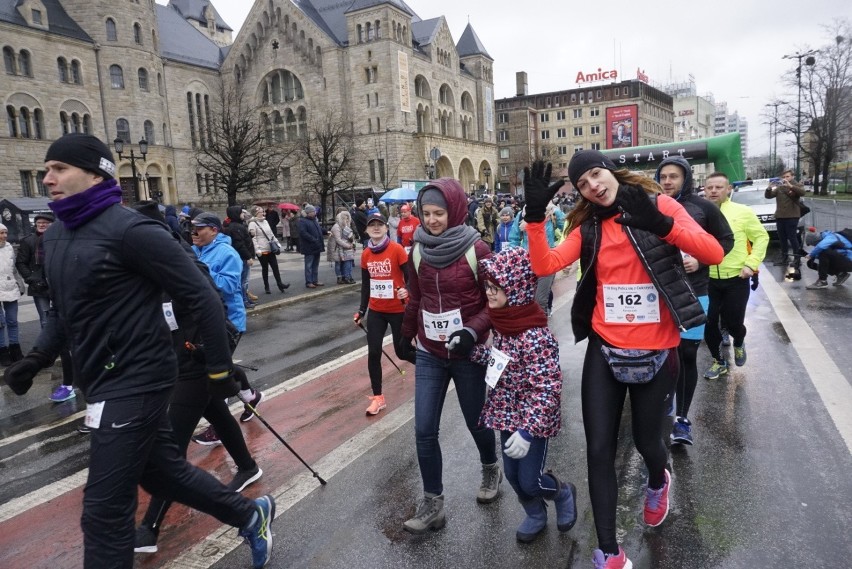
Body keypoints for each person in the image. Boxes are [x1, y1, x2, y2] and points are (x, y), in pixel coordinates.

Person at [2, 133, 274, 569]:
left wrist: (220, 367)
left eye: (59, 168)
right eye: (47, 168)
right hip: (99, 381)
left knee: (104, 510)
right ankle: (249, 513)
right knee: (161, 471)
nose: (47, 176)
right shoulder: (55, 238)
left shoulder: (132, 230)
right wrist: (36, 358)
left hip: (140, 379)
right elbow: (62, 311)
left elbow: (201, 296)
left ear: (95, 174)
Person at [524, 154, 724, 568]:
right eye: (582, 184)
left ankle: (658, 479)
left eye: (596, 174)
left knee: (650, 444)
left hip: (656, 347)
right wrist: (534, 217)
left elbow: (714, 252)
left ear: (610, 172)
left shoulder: (661, 205)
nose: (593, 186)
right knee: (598, 450)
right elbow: (546, 264)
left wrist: (663, 225)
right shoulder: (589, 226)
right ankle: (610, 553)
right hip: (605, 346)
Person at [129, 202, 263, 555]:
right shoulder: (142, 267)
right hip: (173, 361)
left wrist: (218, 364)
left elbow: (213, 305)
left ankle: (149, 528)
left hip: (196, 360)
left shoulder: (181, 261)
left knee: (168, 448)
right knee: (216, 411)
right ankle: (247, 467)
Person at [399, 179, 502, 534]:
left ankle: (490, 466)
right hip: (430, 351)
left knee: (477, 421)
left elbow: (495, 304)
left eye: (439, 213)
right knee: (424, 429)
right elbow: (416, 297)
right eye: (426, 214)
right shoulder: (416, 250)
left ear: (455, 210)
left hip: (467, 353)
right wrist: (405, 335)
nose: (432, 220)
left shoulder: (478, 251)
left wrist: (471, 331)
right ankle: (433, 504)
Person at [471, 246, 577, 543]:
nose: (489, 293)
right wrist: (473, 352)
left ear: (516, 288)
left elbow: (548, 386)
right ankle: (535, 514)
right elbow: (499, 360)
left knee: (531, 479)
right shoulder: (503, 324)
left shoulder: (534, 334)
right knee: (515, 476)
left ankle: (562, 491)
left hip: (531, 422)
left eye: (496, 287)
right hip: (506, 413)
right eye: (488, 286)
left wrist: (529, 431)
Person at [655, 157, 734, 445]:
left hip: (695, 291)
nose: (667, 182)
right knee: (663, 355)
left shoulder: (704, 208)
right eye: (663, 176)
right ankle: (663, 410)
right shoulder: (653, 208)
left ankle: (682, 420)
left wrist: (700, 261)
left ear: (686, 178)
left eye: (674, 176)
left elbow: (726, 241)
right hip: (661, 294)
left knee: (687, 353)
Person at [189, 212, 263, 442]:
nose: (193, 234)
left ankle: (219, 427)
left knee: (214, 373)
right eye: (191, 229)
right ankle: (249, 396)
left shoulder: (227, 252)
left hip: (228, 321)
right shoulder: (196, 251)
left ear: (214, 230)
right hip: (203, 320)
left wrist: (200, 273)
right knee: (219, 365)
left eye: (198, 229)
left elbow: (231, 286)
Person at [703, 172, 769, 380]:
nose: (713, 191)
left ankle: (738, 342)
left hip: (737, 278)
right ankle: (718, 361)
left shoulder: (743, 212)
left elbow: (761, 237)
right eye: (710, 187)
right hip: (707, 278)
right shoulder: (698, 211)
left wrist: (751, 265)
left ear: (728, 189)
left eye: (718, 187)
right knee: (708, 322)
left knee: (733, 323)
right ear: (704, 189)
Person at [14, 211, 77, 402]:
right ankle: (65, 378)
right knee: (49, 323)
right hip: (42, 289)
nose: (42, 225)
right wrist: (33, 279)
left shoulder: (64, 241)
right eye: (39, 222)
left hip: (67, 293)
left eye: (46, 223)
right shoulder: (31, 241)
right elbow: (23, 263)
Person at [354, 212, 410, 415]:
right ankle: (378, 398)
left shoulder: (397, 250)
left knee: (402, 351)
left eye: (379, 225)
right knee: (374, 352)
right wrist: (361, 310)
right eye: (372, 225)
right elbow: (366, 285)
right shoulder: (366, 254)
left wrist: (408, 290)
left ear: (386, 228)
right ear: (367, 230)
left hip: (397, 309)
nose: (376, 228)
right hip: (377, 311)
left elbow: (410, 277)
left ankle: (429, 366)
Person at [509, 201, 565, 315]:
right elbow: (514, 238)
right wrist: (513, 257)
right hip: (527, 260)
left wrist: (556, 211)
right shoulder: (522, 215)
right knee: (528, 296)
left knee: (540, 300)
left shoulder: (552, 213)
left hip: (547, 260)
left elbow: (566, 226)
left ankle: (542, 325)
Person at [765, 169, 805, 265]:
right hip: (780, 216)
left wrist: (791, 186)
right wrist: (769, 188)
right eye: (784, 177)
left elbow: (802, 193)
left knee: (792, 237)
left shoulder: (797, 185)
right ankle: (784, 257)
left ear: (792, 177)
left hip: (792, 215)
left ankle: (797, 258)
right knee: (782, 238)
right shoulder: (780, 187)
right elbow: (769, 196)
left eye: (787, 176)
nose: (785, 179)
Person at [248, 206, 290, 294]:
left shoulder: (265, 221)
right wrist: (257, 249)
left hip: (270, 248)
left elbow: (271, 234)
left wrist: (277, 243)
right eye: (261, 212)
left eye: (264, 211)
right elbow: (253, 238)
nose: (264, 213)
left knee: (275, 267)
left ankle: (280, 284)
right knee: (265, 268)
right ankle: (266, 286)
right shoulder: (252, 223)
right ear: (256, 213)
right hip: (262, 250)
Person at [222, 205, 257, 308]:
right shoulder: (236, 227)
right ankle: (244, 300)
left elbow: (242, 240)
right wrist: (248, 257)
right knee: (243, 281)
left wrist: (249, 236)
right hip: (242, 257)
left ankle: (245, 299)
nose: (243, 215)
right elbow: (239, 244)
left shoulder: (235, 226)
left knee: (243, 280)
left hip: (241, 256)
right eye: (241, 213)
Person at [0, 223, 22, 367]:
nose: (5, 236)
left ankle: (15, 349)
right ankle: (2, 351)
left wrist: (19, 283)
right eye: (1, 233)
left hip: (10, 288)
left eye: (5, 233)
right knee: (0, 324)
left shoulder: (9, 248)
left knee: (12, 321)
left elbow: (13, 269)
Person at [298, 204, 325, 288]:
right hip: (309, 247)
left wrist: (326, 231)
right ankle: (309, 282)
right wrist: (313, 239)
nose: (315, 213)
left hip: (317, 246)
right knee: (309, 265)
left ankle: (315, 280)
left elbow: (319, 229)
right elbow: (303, 233)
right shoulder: (302, 221)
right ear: (309, 212)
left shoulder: (314, 220)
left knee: (315, 265)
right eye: (313, 211)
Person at [329, 209, 357, 285]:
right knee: (338, 263)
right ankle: (339, 277)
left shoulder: (344, 226)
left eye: (348, 218)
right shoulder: (336, 227)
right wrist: (348, 246)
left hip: (342, 247)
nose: (347, 220)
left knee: (343, 263)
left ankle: (344, 276)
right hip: (336, 247)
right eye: (345, 218)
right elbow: (338, 239)